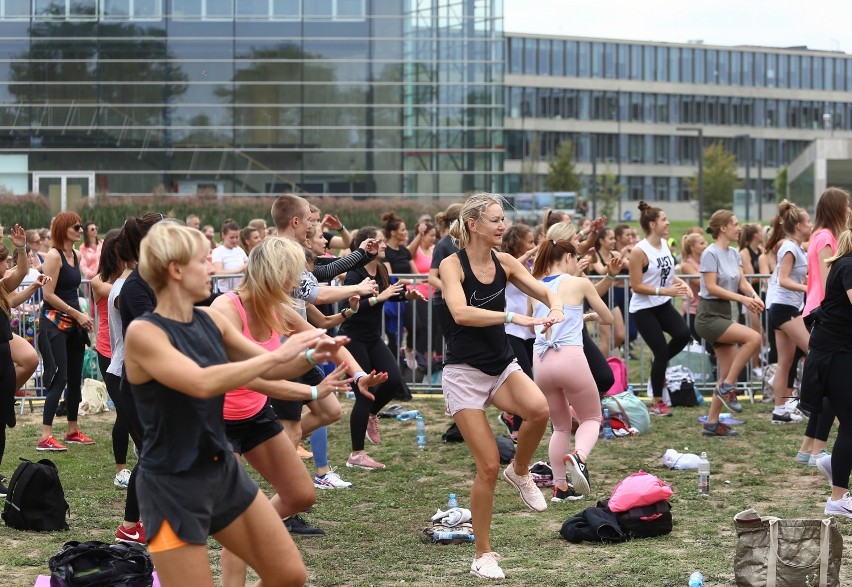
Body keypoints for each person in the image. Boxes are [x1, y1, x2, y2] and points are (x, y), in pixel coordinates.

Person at [123, 221, 341, 586]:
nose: (212, 267)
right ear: (176, 270)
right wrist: (281, 357)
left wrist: (310, 356)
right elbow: (201, 381)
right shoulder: (145, 333)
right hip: (171, 485)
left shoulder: (209, 320)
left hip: (221, 471)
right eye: (201, 260)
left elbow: (271, 364)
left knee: (289, 575)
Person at [210, 236, 386, 585]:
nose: (299, 284)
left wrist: (360, 375)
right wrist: (310, 380)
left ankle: (254, 529)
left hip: (255, 415)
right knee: (237, 515)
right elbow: (261, 371)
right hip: (217, 420)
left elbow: (329, 343)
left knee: (301, 495)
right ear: (275, 275)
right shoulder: (225, 310)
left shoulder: (278, 308)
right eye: (293, 276)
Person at [439, 192, 561, 580]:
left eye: (503, 219)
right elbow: (459, 312)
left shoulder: (505, 262)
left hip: (500, 368)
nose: (502, 225)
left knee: (540, 410)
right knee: (488, 465)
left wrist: (554, 305)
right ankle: (483, 554)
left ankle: (521, 471)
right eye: (494, 219)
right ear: (473, 224)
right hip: (463, 375)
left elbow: (542, 289)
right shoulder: (450, 265)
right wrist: (514, 318)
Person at [531, 238, 612, 502]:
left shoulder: (535, 287)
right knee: (591, 418)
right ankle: (579, 457)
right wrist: (590, 313)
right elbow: (608, 318)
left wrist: (580, 316)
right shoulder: (579, 282)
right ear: (567, 257)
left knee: (560, 426)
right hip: (570, 357)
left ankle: (561, 488)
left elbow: (536, 321)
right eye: (576, 258)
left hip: (541, 360)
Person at [340, 227, 425, 469]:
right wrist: (380, 297)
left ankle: (371, 415)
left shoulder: (382, 269)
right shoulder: (355, 273)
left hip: (372, 338)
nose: (384, 244)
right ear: (367, 245)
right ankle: (356, 455)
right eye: (380, 241)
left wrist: (407, 297)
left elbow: (390, 295)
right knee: (364, 393)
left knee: (394, 380)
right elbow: (353, 306)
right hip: (352, 338)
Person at [696, 211, 764, 436]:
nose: (739, 228)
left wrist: (753, 295)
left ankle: (712, 423)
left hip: (724, 313)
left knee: (725, 372)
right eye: (735, 224)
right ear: (723, 228)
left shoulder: (734, 253)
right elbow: (712, 287)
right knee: (754, 338)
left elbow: (742, 282)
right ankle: (727, 389)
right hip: (708, 315)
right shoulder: (710, 253)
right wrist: (743, 299)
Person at [797, 188, 850, 468]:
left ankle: (809, 449)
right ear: (837, 208)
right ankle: (816, 451)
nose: (850, 210)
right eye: (847, 205)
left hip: (818, 310)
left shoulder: (818, 235)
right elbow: (833, 281)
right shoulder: (827, 237)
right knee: (832, 387)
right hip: (826, 314)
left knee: (827, 387)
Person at [38, 212, 95, 451]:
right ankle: (45, 436)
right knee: (59, 376)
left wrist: (80, 316)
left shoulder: (77, 254)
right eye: (76, 226)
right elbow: (48, 294)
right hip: (54, 322)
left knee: (74, 377)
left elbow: (73, 289)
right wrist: (78, 313)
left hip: (73, 323)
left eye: (81, 226)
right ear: (63, 229)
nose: (80, 230)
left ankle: (72, 430)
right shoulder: (54, 256)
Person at [628, 202, 691, 415]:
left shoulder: (664, 244)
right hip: (643, 309)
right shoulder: (639, 251)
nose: (668, 223)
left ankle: (658, 362)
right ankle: (657, 403)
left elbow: (666, 273)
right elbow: (636, 285)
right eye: (664, 219)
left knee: (683, 334)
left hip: (662, 304)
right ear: (653, 224)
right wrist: (665, 292)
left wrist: (680, 282)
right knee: (662, 350)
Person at [0, 227, 49, 492]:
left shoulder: (1, 287)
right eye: (4, 261)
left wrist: (20, 249)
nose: (8, 266)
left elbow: (17, 276)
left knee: (29, 359)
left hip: (3, 351)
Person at [91, 229, 132, 488]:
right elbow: (123, 295)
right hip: (109, 352)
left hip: (128, 351)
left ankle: (139, 449)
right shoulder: (100, 281)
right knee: (125, 412)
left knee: (133, 411)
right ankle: (121, 470)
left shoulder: (130, 279)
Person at [764, 201, 811, 425]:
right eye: (808, 221)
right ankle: (814, 403)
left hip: (786, 308)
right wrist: (806, 287)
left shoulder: (797, 247)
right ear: (799, 226)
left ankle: (779, 410)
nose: (811, 225)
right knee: (814, 351)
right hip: (784, 309)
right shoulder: (789, 248)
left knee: (786, 361)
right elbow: (783, 280)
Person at [499, 224, 537, 439]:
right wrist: (526, 257)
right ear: (518, 243)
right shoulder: (504, 260)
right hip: (511, 328)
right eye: (530, 242)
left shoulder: (531, 265)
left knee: (531, 380)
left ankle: (510, 414)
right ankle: (517, 427)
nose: (533, 246)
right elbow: (503, 276)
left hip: (530, 329)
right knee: (526, 379)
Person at [589, 227, 626, 356]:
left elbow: (629, 264)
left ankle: (599, 360)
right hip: (597, 297)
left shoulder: (615, 254)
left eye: (614, 238)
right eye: (610, 238)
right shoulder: (595, 255)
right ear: (602, 240)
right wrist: (613, 267)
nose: (614, 241)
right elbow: (600, 271)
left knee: (620, 335)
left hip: (611, 296)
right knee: (606, 338)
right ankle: (602, 369)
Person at [738, 223, 765, 375]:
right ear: (755, 235)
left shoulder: (760, 250)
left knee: (763, 331)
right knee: (755, 331)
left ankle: (759, 361)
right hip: (748, 296)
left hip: (760, 295)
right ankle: (754, 366)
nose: (763, 234)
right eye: (761, 231)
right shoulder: (744, 253)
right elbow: (750, 276)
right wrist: (763, 275)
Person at [211, 219, 249, 293]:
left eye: (237, 237)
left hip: (240, 290)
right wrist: (238, 270)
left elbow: (248, 263)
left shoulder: (239, 250)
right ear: (223, 236)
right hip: (224, 292)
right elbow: (218, 272)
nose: (234, 240)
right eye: (231, 238)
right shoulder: (217, 251)